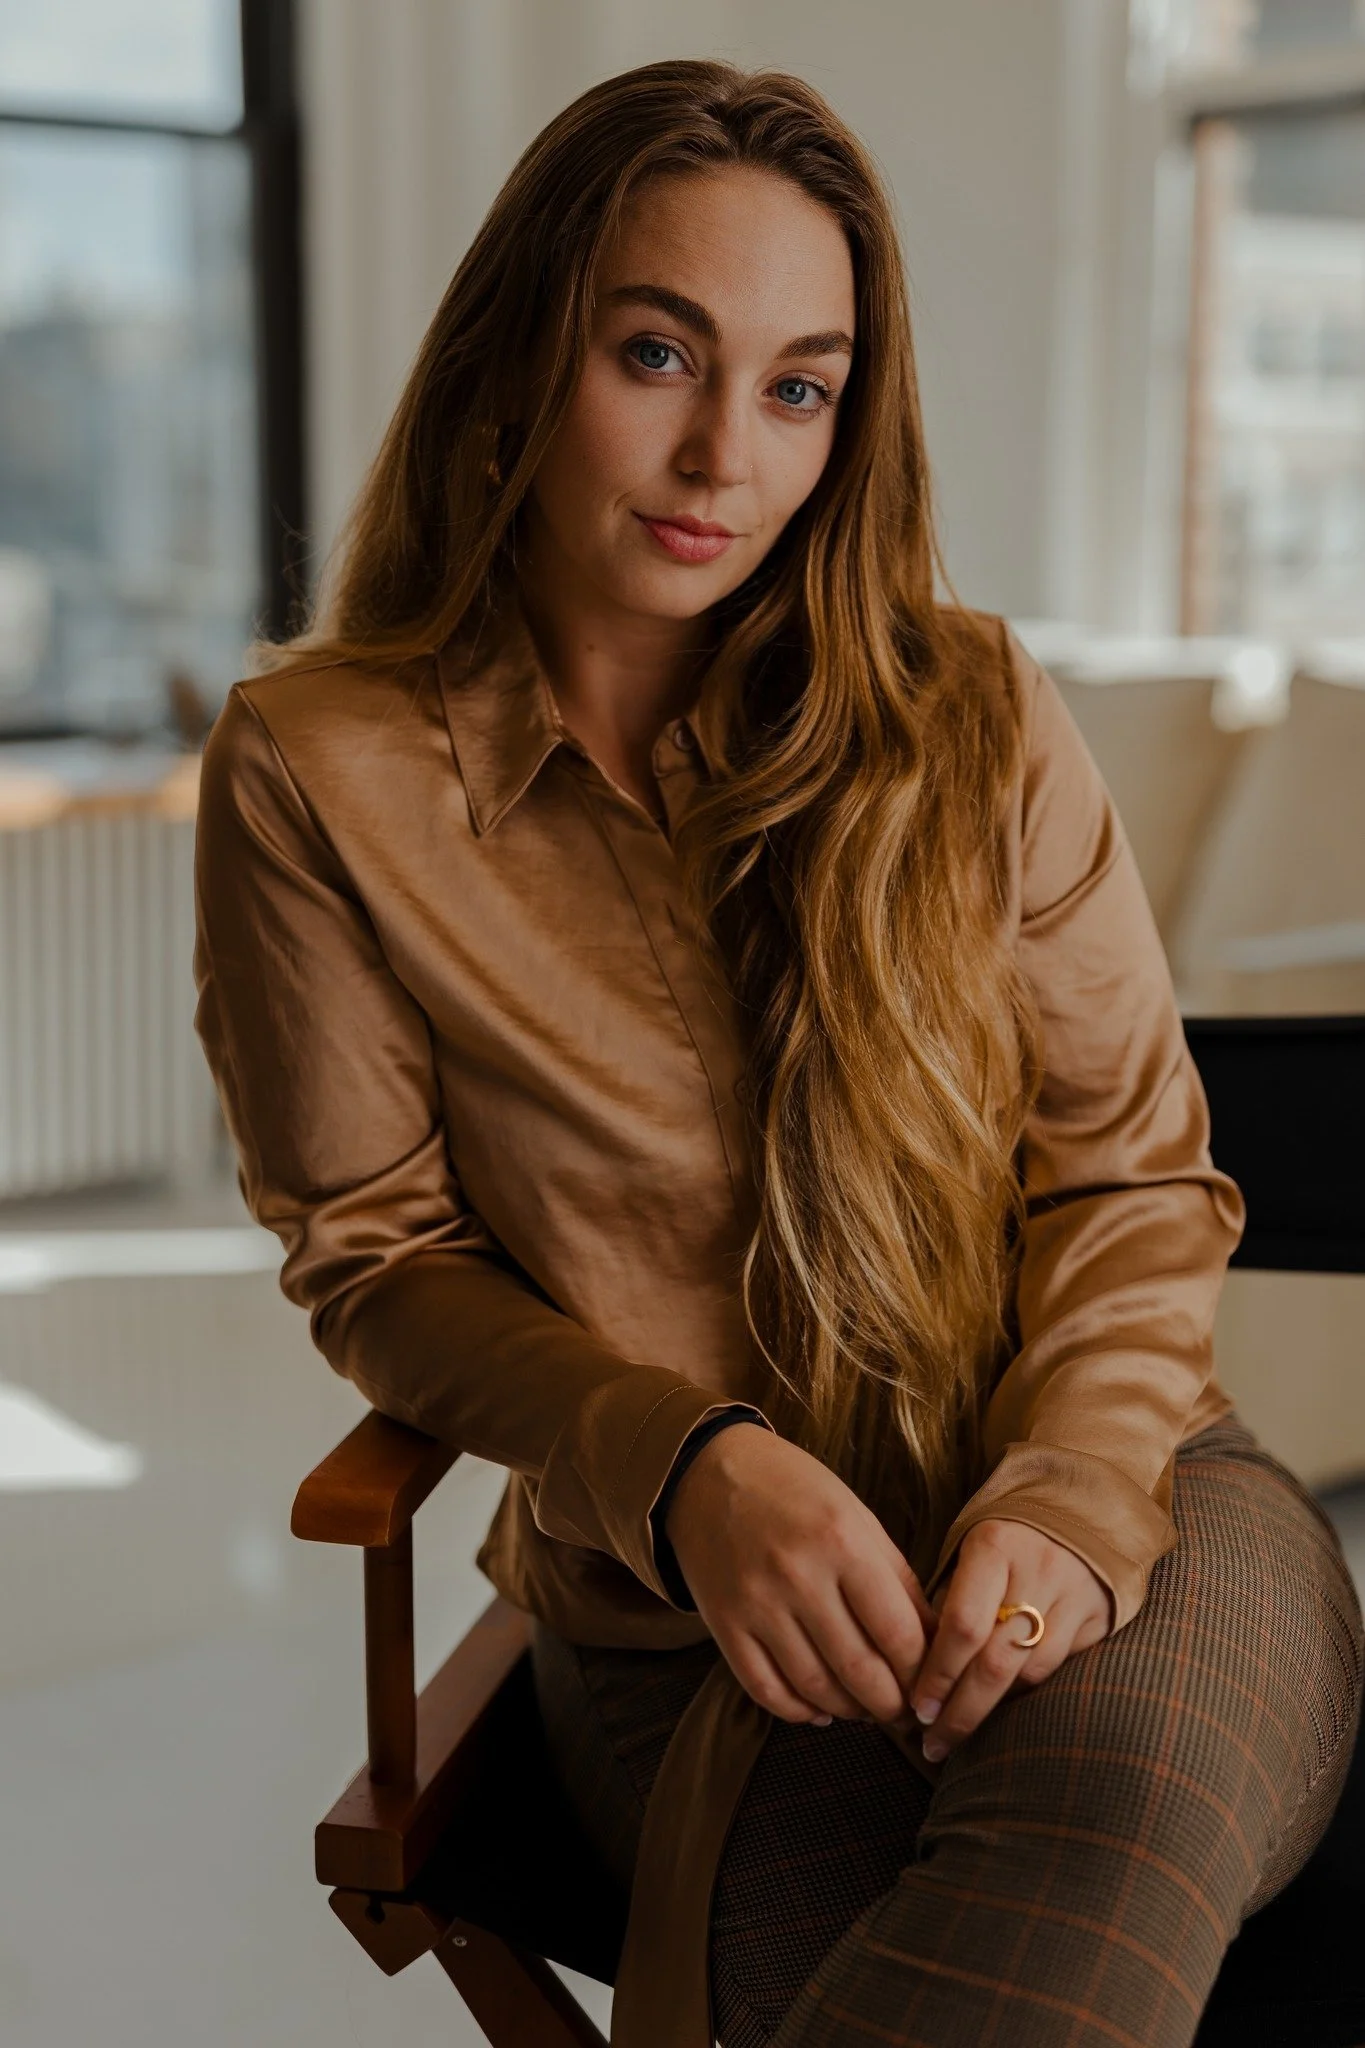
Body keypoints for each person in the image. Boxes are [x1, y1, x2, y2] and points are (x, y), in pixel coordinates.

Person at [192, 59, 1362, 2048]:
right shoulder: (321, 772)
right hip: (684, 1634)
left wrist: (1072, 1497)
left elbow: (1133, 1175)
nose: (721, 449)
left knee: (1114, 1796)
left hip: (1123, 1493)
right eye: (657, 352)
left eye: (799, 385)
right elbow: (378, 1256)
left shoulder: (970, 711)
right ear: (517, 350)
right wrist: (685, 1468)